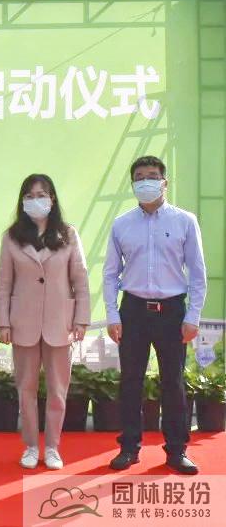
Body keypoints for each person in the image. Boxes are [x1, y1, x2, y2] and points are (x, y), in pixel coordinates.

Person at [104, 155, 207, 475]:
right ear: (132, 184)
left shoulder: (184, 221)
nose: (145, 182)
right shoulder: (121, 224)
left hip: (172, 311)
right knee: (130, 381)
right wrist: (112, 315)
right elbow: (110, 274)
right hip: (133, 310)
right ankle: (128, 447)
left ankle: (177, 451)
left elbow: (197, 273)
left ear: (164, 182)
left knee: (173, 382)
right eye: (139, 177)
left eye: (151, 176)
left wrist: (193, 316)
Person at [0, 174, 90, 470]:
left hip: (60, 323)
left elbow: (80, 280)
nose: (36, 200)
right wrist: (3, 322)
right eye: (30, 196)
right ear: (22, 201)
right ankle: (30, 446)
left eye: (41, 195)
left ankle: (52, 447)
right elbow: (3, 284)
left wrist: (81, 319)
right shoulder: (11, 237)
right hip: (22, 323)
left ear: (52, 199)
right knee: (26, 389)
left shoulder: (68, 234)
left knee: (58, 390)